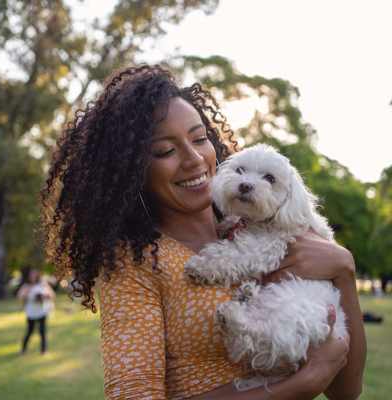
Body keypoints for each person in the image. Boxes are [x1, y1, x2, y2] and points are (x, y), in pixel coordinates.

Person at [40, 65, 366, 399]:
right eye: (166, 151)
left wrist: (343, 271)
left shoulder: (270, 232)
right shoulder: (134, 266)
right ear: (131, 173)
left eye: (199, 139)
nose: (194, 159)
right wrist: (302, 384)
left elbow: (346, 392)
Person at [17, 268, 55, 355]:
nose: (33, 277)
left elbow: (52, 295)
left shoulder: (43, 284)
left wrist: (44, 296)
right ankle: (23, 349)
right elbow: (20, 296)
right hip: (31, 313)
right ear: (29, 276)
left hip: (42, 311)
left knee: (42, 332)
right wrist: (26, 293)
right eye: (31, 275)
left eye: (35, 275)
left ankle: (44, 351)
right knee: (29, 332)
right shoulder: (26, 286)